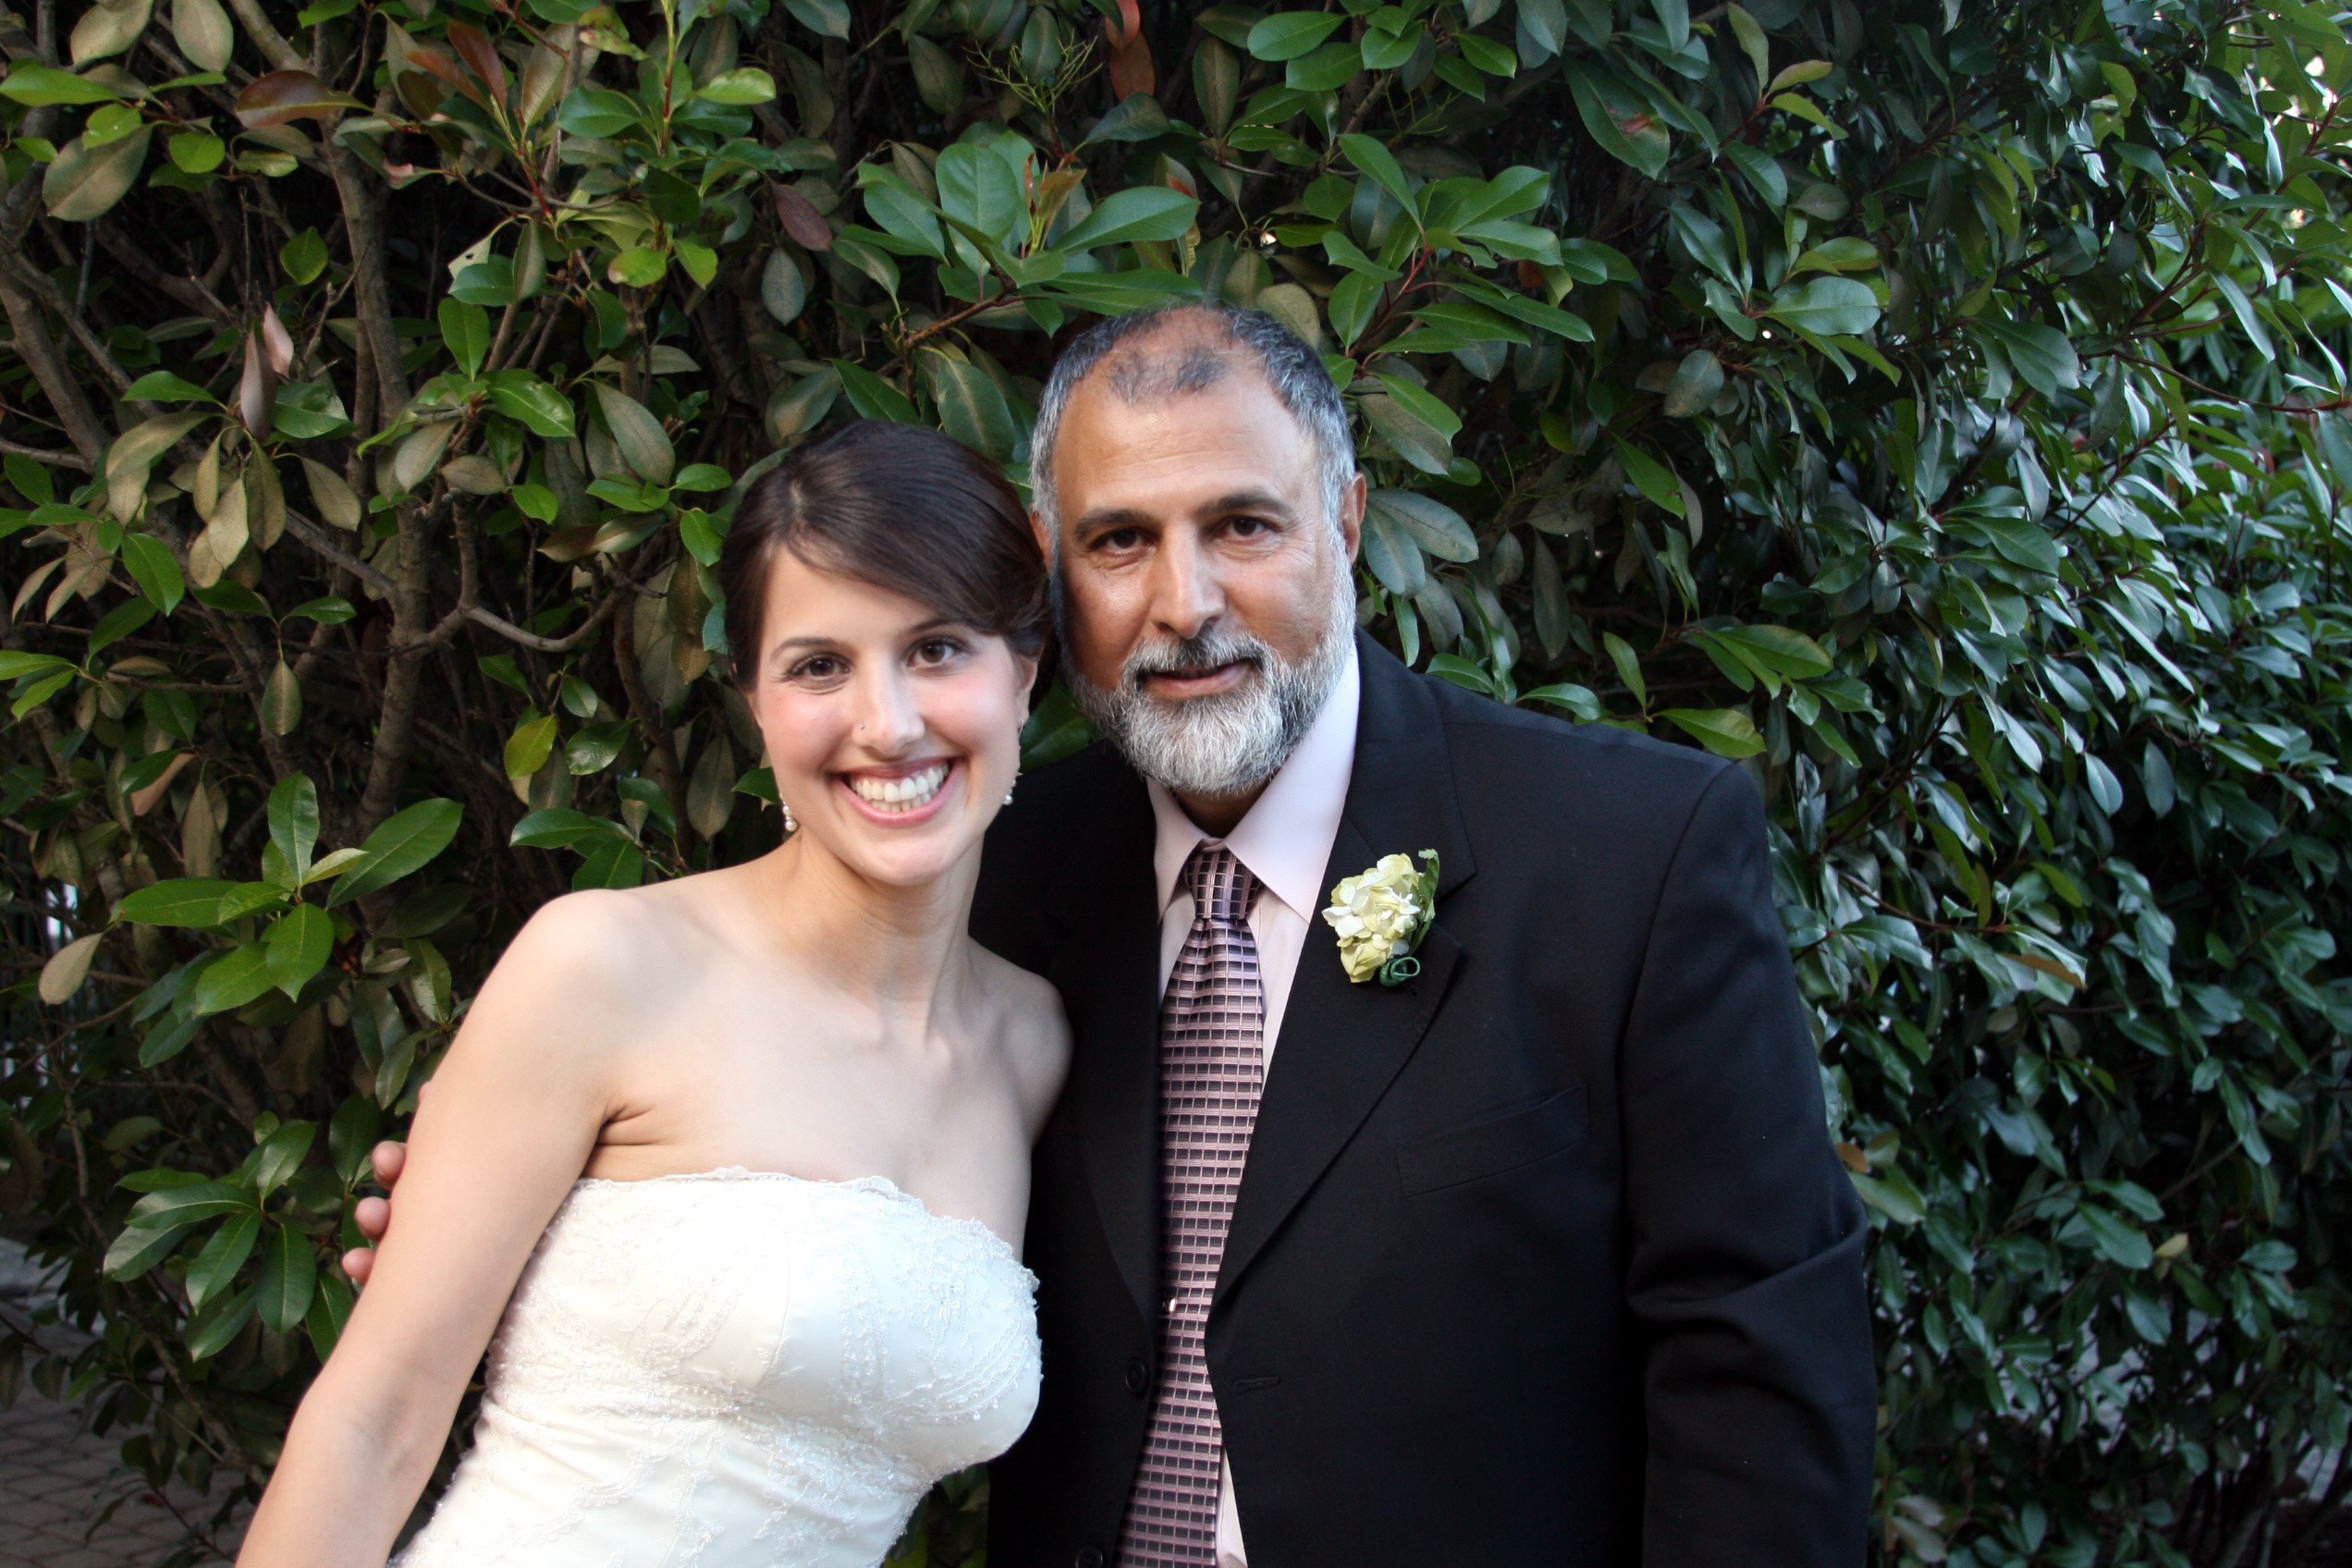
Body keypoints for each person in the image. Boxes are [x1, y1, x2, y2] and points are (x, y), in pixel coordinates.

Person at [355, 302, 1878, 1566]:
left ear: (1343, 521)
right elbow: (807, 1161)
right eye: (1118, 540)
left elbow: (1754, 1373)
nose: (1184, 599)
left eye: (1241, 523)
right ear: (1047, 572)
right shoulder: (995, 873)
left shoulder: (1627, 856)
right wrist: (544, 1238)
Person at [239, 420, 1069, 1568]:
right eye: (819, 664)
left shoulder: (1035, 1045)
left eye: (937, 649)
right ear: (754, 702)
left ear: (1022, 671)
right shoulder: (606, 967)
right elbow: (373, 1422)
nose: (889, 723)